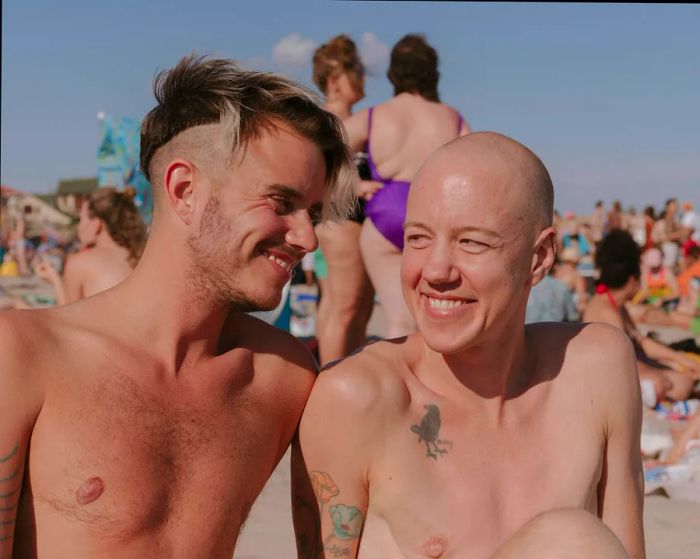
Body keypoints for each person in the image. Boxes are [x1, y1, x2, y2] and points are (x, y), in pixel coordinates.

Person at [0, 54, 356, 558]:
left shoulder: (284, 377)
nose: (307, 238)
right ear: (184, 191)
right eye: (281, 203)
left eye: (312, 213)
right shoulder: (24, 356)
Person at [292, 132, 644, 559]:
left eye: (472, 242)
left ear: (539, 257)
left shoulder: (595, 371)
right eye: (418, 238)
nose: (436, 270)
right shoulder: (359, 398)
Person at [344, 34, 470, 338]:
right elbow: (477, 164)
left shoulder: (376, 116)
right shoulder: (451, 119)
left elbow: (322, 148)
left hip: (385, 214)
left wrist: (356, 184)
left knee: (399, 323)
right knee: (431, 322)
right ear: (433, 72)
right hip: (434, 220)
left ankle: (398, 384)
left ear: (393, 73)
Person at [311, 35, 375, 364]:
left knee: (352, 304)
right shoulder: (327, 122)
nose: (364, 77)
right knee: (346, 304)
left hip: (349, 217)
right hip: (341, 216)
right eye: (357, 70)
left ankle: (341, 371)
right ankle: (332, 378)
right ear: (335, 79)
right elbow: (318, 173)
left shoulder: (352, 121)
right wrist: (358, 187)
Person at [583, 230, 699, 403]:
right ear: (632, 280)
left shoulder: (613, 304)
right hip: (611, 375)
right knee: (671, 382)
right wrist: (667, 369)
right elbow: (620, 365)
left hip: (625, 367)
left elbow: (641, 341)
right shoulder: (606, 312)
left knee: (683, 377)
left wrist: (681, 360)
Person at [34, 187, 147, 304]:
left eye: (81, 219)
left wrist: (54, 279)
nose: (79, 227)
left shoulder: (80, 263)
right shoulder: (142, 255)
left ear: (96, 224)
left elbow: (68, 317)